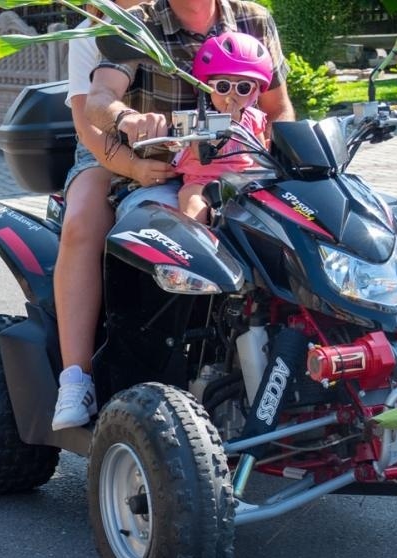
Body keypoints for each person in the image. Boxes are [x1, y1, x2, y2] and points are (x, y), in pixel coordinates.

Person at [52, 0, 294, 428]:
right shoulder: (134, 25)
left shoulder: (254, 19)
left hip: (237, 167)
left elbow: (279, 109)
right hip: (139, 162)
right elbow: (96, 105)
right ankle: (84, 378)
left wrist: (269, 154)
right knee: (89, 224)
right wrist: (129, 131)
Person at [52, 15, 175, 431]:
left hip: (190, 147)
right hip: (110, 151)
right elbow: (87, 124)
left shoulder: (176, 15)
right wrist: (134, 166)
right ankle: (76, 377)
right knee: (84, 221)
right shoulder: (94, 30)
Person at [175, 32, 273, 224]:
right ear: (206, 87)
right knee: (193, 206)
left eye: (243, 88)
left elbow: (259, 155)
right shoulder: (200, 118)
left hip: (243, 179)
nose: (232, 95)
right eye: (222, 87)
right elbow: (198, 152)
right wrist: (224, 123)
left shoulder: (253, 118)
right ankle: (198, 246)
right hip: (201, 180)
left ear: (253, 92)